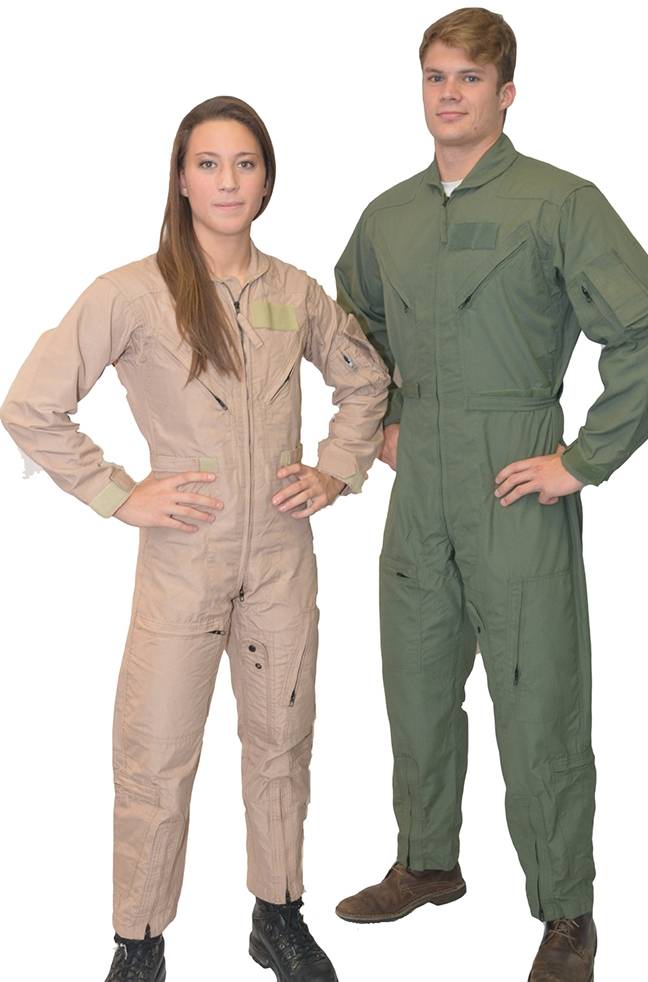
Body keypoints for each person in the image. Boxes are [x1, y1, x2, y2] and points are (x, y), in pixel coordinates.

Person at [0, 95, 389, 982]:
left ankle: (277, 916)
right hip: (184, 561)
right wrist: (118, 493)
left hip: (280, 557)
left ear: (267, 180)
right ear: (180, 179)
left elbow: (365, 382)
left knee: (282, 744)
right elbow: (30, 405)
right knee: (155, 757)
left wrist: (335, 470)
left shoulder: (294, 292)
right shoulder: (132, 294)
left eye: (245, 163)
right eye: (208, 163)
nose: (228, 181)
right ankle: (139, 942)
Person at [333, 8, 648, 981]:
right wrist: (385, 415)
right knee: (415, 680)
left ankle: (567, 912)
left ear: (507, 93)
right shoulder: (389, 216)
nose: (449, 93)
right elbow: (350, 319)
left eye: (469, 78)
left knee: (539, 698)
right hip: (421, 484)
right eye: (435, 76)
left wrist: (583, 458)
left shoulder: (559, 202)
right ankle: (427, 862)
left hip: (514, 479)